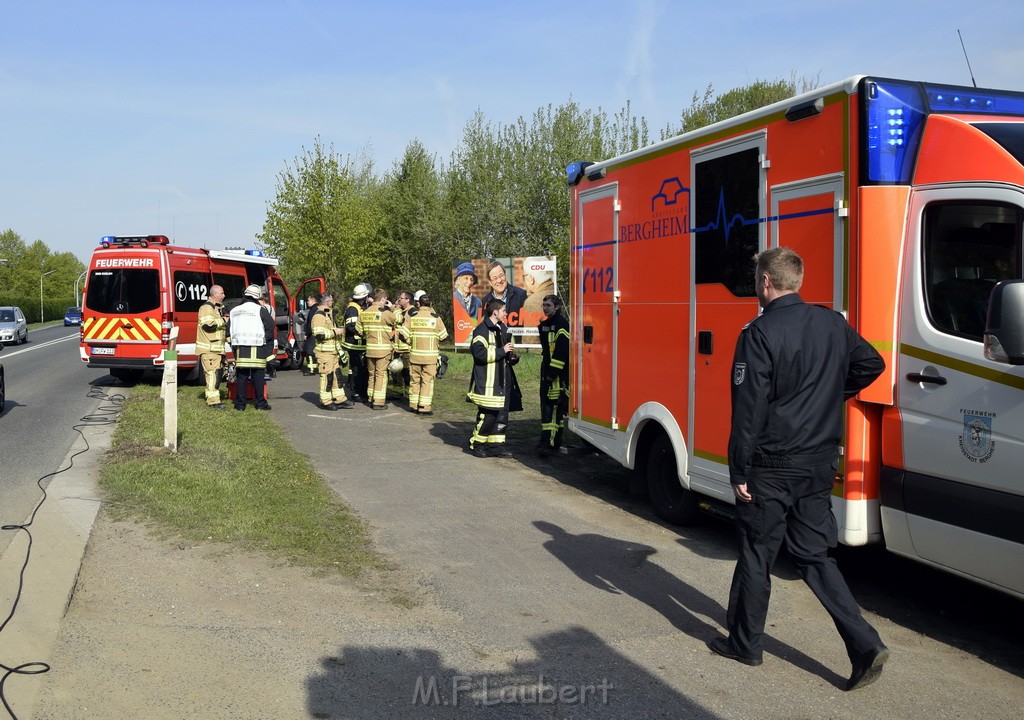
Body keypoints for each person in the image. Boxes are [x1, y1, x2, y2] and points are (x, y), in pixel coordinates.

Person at [708, 247, 888, 692]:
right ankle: (865, 644)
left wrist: (739, 471)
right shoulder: (832, 323)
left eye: (756, 278)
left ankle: (745, 645)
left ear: (766, 282)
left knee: (756, 552)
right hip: (817, 463)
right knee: (814, 556)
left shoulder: (759, 332)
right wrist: (827, 397)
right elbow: (872, 364)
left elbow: (747, 412)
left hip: (771, 466)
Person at [467, 298, 522, 458]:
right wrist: (502, 351)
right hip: (488, 384)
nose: (506, 313)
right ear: (495, 312)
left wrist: (511, 358)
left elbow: (503, 354)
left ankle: (496, 446)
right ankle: (477, 445)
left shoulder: (502, 328)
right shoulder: (481, 331)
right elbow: (479, 355)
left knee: (502, 416)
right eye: (504, 310)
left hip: (502, 382)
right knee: (488, 416)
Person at [228, 284, 275, 411]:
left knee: (241, 377)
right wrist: (268, 344)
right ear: (257, 296)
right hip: (258, 347)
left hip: (240, 349)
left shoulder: (234, 311)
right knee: (258, 376)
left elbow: (229, 332)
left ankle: (240, 405)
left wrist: (233, 346)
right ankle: (261, 404)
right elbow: (270, 327)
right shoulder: (260, 310)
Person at [537, 294, 569, 457]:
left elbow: (561, 353)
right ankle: (547, 441)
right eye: (543, 305)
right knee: (547, 407)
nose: (545, 308)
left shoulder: (562, 324)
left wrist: (551, 375)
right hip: (547, 371)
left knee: (555, 409)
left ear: (557, 306)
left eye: (548, 305)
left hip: (557, 376)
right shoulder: (544, 325)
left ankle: (552, 442)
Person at [310, 292, 354, 410]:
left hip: (332, 352)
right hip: (324, 353)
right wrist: (336, 332)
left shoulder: (327, 314)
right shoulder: (319, 316)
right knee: (327, 376)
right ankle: (325, 401)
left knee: (337, 376)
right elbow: (319, 334)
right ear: (327, 302)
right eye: (331, 301)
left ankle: (340, 398)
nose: (332, 303)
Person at [406, 295, 448, 415]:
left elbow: (403, 335)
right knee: (427, 381)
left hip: (414, 356)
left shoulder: (412, 316)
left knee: (414, 380)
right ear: (430, 304)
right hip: (430, 357)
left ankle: (413, 405)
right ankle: (424, 407)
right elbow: (444, 336)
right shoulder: (435, 318)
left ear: (419, 303)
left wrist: (411, 342)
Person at [357, 287, 398, 410]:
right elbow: (399, 319)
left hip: (370, 350)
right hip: (383, 350)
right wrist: (392, 307)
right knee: (381, 375)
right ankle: (378, 402)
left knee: (371, 374)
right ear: (383, 299)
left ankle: (370, 398)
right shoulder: (385, 313)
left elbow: (359, 331)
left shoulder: (364, 313)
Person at [196, 284, 227, 409]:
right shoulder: (207, 308)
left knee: (216, 374)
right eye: (222, 293)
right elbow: (208, 325)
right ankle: (213, 401)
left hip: (215, 349)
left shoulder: (216, 308)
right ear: (215, 294)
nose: (224, 295)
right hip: (209, 349)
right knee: (212, 375)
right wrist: (224, 321)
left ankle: (214, 398)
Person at [342, 284, 371, 402]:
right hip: (354, 345)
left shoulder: (357, 308)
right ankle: (356, 393)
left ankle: (360, 392)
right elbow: (351, 326)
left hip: (359, 345)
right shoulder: (353, 309)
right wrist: (363, 333)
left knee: (361, 370)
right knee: (357, 371)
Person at [390, 290, 414, 391]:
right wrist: (390, 337)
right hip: (397, 348)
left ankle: (409, 394)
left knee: (407, 373)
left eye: (401, 298)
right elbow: (395, 329)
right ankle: (398, 393)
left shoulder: (412, 312)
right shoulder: (401, 311)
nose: (399, 300)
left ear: (408, 300)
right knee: (397, 373)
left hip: (407, 349)